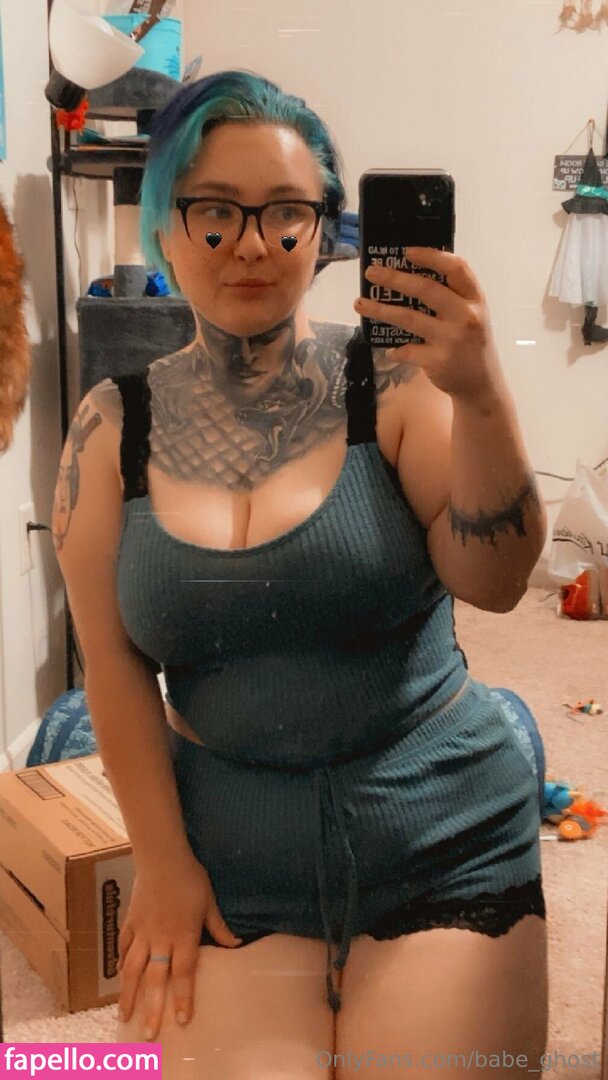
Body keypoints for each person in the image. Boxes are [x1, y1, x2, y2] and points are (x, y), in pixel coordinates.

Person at [52, 70, 549, 1078]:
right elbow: (111, 664)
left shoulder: (395, 384)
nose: (252, 243)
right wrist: (161, 864)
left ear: (324, 232)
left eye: (286, 211)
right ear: (164, 227)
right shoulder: (108, 431)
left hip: (440, 839)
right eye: (215, 210)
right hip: (229, 864)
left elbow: (495, 580)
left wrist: (481, 394)